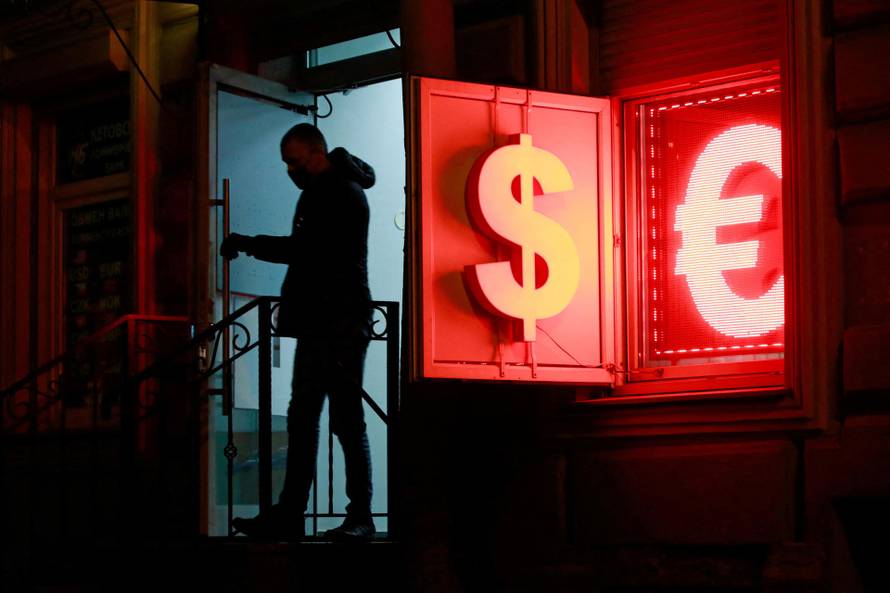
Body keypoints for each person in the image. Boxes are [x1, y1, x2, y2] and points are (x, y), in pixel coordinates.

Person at [220, 123, 376, 541]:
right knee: (310, 418)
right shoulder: (328, 190)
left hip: (339, 320)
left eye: (294, 161)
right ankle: (301, 512)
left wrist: (249, 243)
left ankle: (355, 516)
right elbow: (307, 251)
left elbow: (305, 251)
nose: (290, 170)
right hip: (329, 319)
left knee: (340, 418)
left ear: (316, 153)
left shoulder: (339, 192)